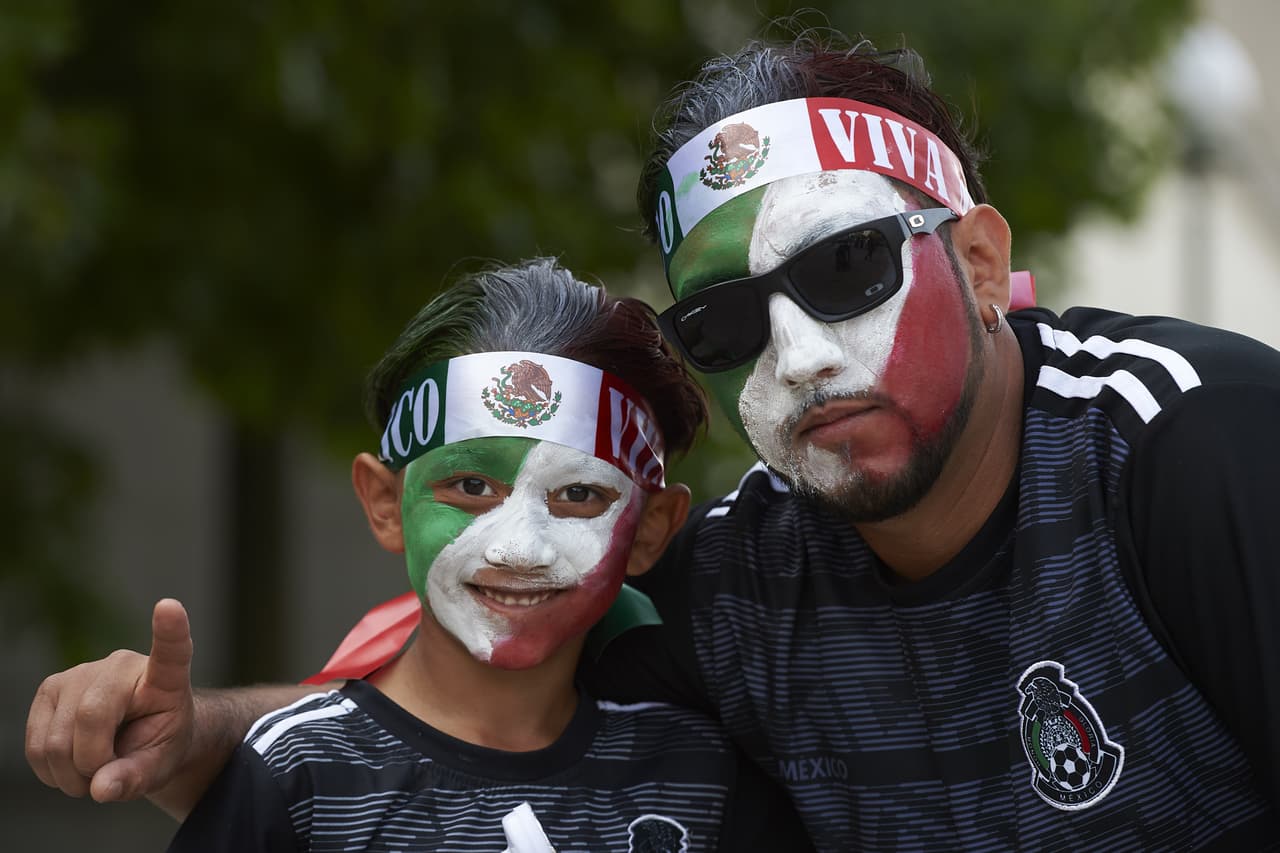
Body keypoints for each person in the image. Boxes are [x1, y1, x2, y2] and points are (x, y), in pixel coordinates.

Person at [27, 29, 1280, 850]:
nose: (796, 357)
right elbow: (456, 710)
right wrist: (193, 738)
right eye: (726, 321)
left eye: (844, 268)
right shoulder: (735, 581)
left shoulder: (1191, 447)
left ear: (979, 255)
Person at [38, 258, 813, 851]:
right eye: (470, 485)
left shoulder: (700, 778)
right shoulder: (293, 776)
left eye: (579, 496)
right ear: (384, 501)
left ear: (650, 529)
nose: (517, 545)